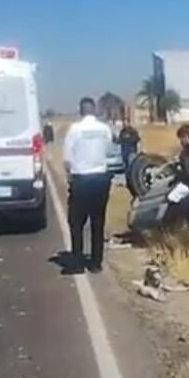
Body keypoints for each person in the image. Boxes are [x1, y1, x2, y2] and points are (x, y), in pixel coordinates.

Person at [63, 97, 114, 274]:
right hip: (101, 178)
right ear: (94, 110)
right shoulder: (104, 129)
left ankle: (77, 262)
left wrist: (69, 178)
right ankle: (96, 262)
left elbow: (67, 159)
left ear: (80, 110)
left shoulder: (75, 129)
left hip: (81, 179)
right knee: (98, 221)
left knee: (76, 222)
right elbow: (108, 151)